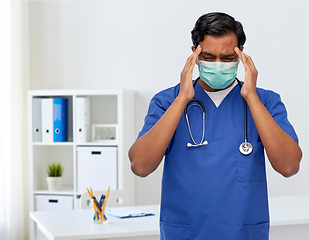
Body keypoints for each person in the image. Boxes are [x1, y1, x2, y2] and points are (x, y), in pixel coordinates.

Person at [128, 12, 302, 240]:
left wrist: (251, 97)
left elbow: (289, 166)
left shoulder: (265, 102)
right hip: (185, 234)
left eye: (228, 58)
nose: (218, 65)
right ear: (194, 54)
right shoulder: (168, 101)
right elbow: (140, 166)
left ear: (241, 56)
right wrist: (182, 99)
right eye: (209, 57)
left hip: (243, 234)